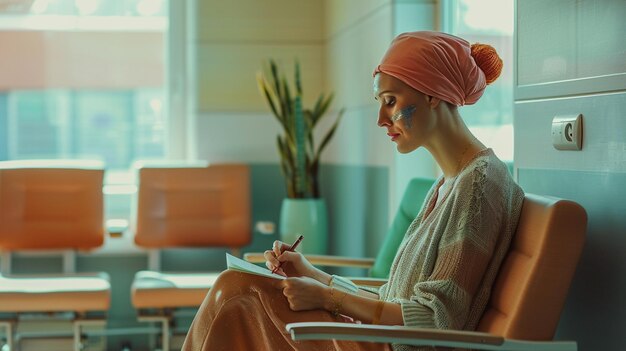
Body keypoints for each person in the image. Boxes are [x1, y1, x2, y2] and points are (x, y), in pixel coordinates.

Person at [181, 31, 524, 351]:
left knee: (234, 293)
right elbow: (391, 299)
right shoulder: (449, 183)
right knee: (237, 289)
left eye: (390, 101)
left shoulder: (479, 186)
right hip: (373, 336)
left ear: (433, 93)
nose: (381, 118)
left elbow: (436, 319)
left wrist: (327, 299)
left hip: (387, 345)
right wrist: (311, 274)